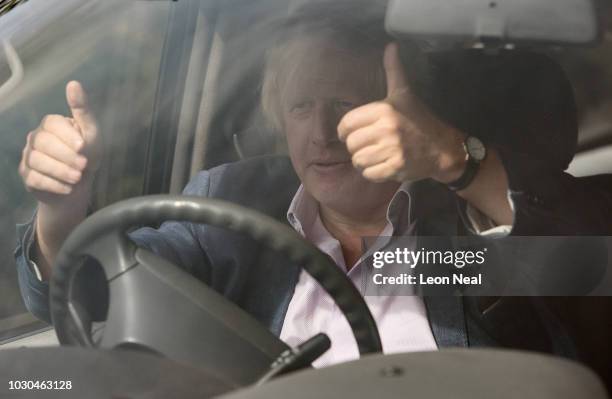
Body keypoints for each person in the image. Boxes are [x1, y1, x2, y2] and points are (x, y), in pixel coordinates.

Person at [14, 1, 610, 366]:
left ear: (402, 112)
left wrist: (458, 161)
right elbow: (92, 294)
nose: (322, 134)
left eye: (345, 105)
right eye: (301, 107)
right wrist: (62, 213)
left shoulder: (457, 212)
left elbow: (588, 268)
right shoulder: (231, 204)